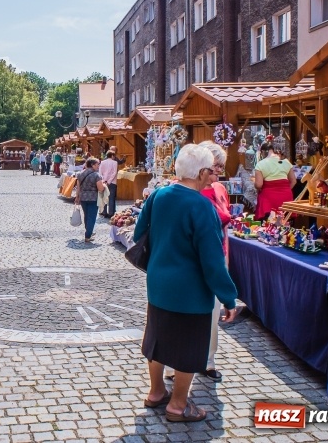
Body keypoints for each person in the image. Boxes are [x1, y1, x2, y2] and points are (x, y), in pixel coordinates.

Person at [133, 144, 238, 422]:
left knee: (157, 338)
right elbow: (213, 261)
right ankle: (178, 405)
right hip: (191, 291)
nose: (212, 176)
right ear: (202, 172)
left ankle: (156, 392)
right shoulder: (202, 206)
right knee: (189, 346)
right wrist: (229, 298)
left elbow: (138, 231)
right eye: (211, 171)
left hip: (159, 282)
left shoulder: (158, 195)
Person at [197, 141, 232, 382]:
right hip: (200, 258)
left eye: (221, 166)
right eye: (215, 166)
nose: (219, 171)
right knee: (193, 312)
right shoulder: (194, 192)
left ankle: (208, 359)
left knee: (213, 312)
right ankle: (176, 362)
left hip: (221, 253)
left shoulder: (220, 189)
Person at [254, 141, 297, 220]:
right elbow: (293, 181)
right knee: (287, 223)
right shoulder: (286, 162)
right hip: (285, 197)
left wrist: (255, 184)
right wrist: (285, 189)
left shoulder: (260, 164)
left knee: (268, 225)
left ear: (263, 152)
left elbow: (259, 184)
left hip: (269, 198)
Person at [74, 158, 106, 243]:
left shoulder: (80, 174)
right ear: (92, 165)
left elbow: (78, 187)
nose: (98, 166)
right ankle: (88, 235)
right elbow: (100, 188)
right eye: (97, 164)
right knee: (92, 217)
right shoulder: (96, 175)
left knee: (86, 215)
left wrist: (77, 197)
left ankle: (89, 231)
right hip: (93, 198)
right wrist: (104, 186)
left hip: (83, 198)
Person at [98, 150, 119, 218]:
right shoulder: (115, 162)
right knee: (111, 197)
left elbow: (100, 172)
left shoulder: (102, 162)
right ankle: (111, 213)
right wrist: (109, 181)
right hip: (112, 182)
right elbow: (114, 173)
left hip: (103, 181)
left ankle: (104, 212)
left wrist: (104, 180)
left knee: (104, 197)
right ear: (112, 156)